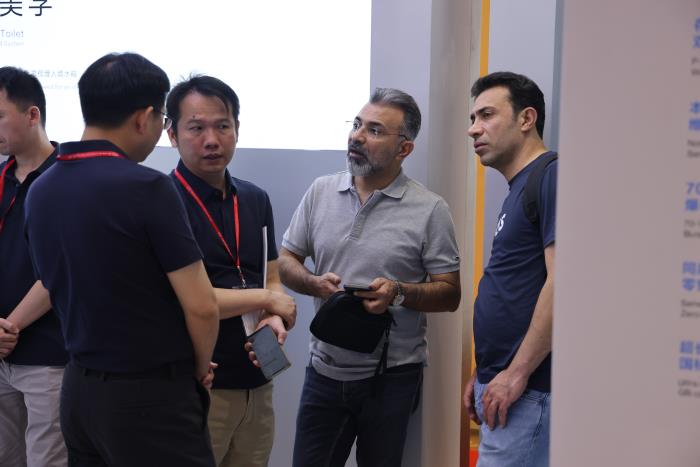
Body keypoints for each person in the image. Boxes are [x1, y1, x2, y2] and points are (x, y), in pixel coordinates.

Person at [23, 53, 220, 467]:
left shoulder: (41, 188)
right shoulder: (148, 188)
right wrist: (199, 370)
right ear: (144, 117)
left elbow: (52, 281)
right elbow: (202, 306)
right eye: (162, 117)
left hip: (79, 390)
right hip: (150, 395)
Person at [279, 87, 461, 467]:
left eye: (375, 130)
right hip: (323, 371)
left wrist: (398, 292)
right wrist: (313, 283)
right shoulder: (321, 191)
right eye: (357, 125)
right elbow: (286, 261)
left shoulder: (430, 209)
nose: (357, 136)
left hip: (392, 379)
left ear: (404, 149)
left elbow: (449, 293)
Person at [166, 75, 296, 467]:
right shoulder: (162, 203)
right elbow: (190, 300)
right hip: (200, 382)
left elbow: (270, 275)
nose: (212, 140)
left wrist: (273, 315)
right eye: (196, 128)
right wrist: (268, 299)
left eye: (223, 126)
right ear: (172, 134)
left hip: (258, 378)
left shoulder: (254, 198)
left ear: (237, 128)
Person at [463, 71, 556, 467]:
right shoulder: (520, 186)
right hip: (505, 386)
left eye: (486, 115)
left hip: (527, 390)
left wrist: (516, 373)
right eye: (473, 119)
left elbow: (563, 283)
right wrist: (485, 373)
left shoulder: (550, 175)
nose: (473, 129)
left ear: (526, 118)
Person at [0, 66, 67, 467]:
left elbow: (61, 269)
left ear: (32, 114)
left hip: (49, 355)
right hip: (1, 354)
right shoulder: (2, 178)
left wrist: (10, 327)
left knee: (48, 460)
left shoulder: (67, 179)